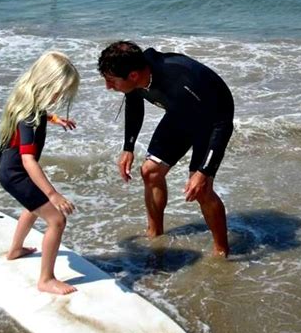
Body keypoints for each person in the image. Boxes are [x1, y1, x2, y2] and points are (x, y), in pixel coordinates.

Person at [98, 41, 234, 257]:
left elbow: (223, 124)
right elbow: (134, 101)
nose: (108, 87)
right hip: (181, 114)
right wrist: (128, 147)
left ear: (133, 75)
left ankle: (222, 251)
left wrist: (204, 171)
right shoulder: (136, 77)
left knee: (202, 190)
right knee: (150, 172)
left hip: (213, 119)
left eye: (111, 81)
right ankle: (155, 233)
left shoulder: (179, 79)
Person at [0, 51, 80, 295]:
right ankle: (46, 280)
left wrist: (54, 119)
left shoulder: (24, 99)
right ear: (47, 84)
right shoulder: (30, 116)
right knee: (56, 219)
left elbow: (37, 116)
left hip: (8, 170)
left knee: (32, 207)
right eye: (59, 91)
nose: (60, 96)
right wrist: (53, 194)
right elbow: (29, 160)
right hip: (17, 173)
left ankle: (15, 250)